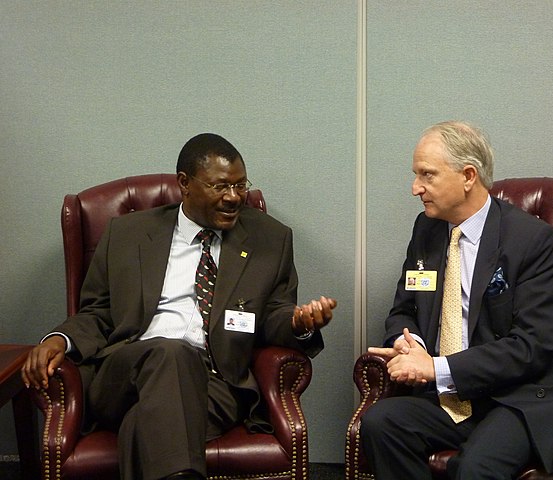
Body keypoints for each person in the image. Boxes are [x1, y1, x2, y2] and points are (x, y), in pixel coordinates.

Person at [21, 133, 337, 480]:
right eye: (220, 187)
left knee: (143, 424)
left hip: (215, 383)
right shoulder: (128, 234)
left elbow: (275, 313)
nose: (234, 197)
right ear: (185, 184)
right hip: (125, 371)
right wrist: (58, 340)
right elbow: (97, 312)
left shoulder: (269, 238)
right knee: (172, 353)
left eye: (240, 185)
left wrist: (299, 323)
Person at [360, 121, 553, 479]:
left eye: (427, 175)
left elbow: (532, 346)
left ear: (468, 175)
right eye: (415, 174)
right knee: (379, 424)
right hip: (453, 396)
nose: (415, 188)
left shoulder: (531, 240)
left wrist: (434, 368)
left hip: (519, 395)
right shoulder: (427, 229)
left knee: (473, 469)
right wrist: (411, 345)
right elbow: (403, 308)